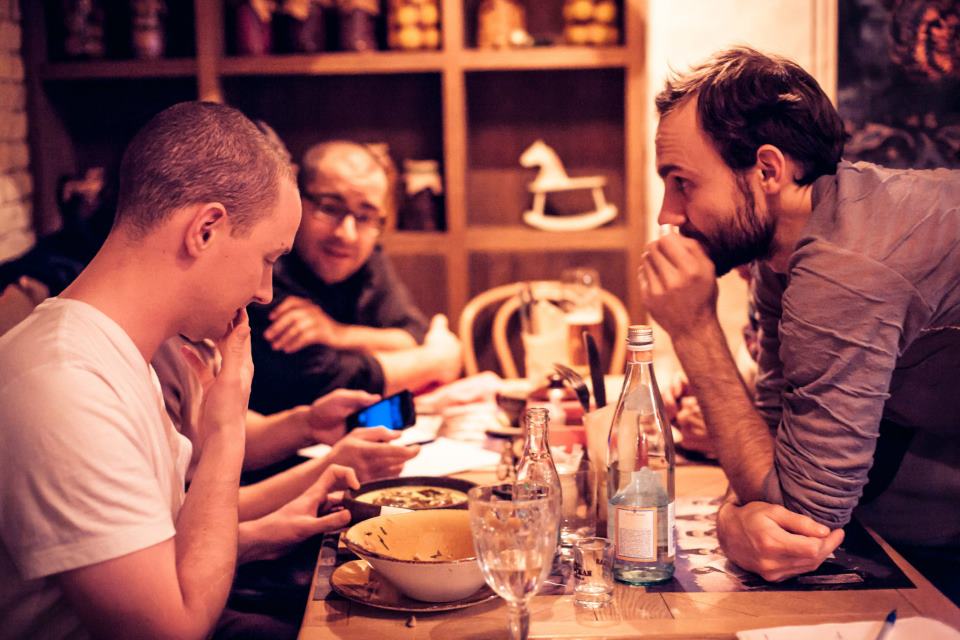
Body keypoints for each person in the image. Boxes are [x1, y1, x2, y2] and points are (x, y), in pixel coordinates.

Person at [0, 101, 344, 639]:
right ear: (205, 229)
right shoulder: (66, 385)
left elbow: (157, 542)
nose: (265, 291)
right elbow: (172, 631)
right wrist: (226, 429)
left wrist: (259, 536)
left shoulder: (121, 352)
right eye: (267, 258)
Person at [639, 47, 960, 598]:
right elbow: (771, 449)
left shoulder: (846, 267)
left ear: (767, 170)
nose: (667, 215)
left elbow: (798, 520)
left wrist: (693, 329)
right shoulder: (786, 257)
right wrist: (739, 515)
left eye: (682, 182)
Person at [247, 140, 462, 414]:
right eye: (330, 208)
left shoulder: (368, 259)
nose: (346, 234)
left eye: (364, 217)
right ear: (295, 199)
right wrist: (436, 360)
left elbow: (412, 334)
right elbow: (321, 380)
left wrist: (338, 335)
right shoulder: (267, 268)